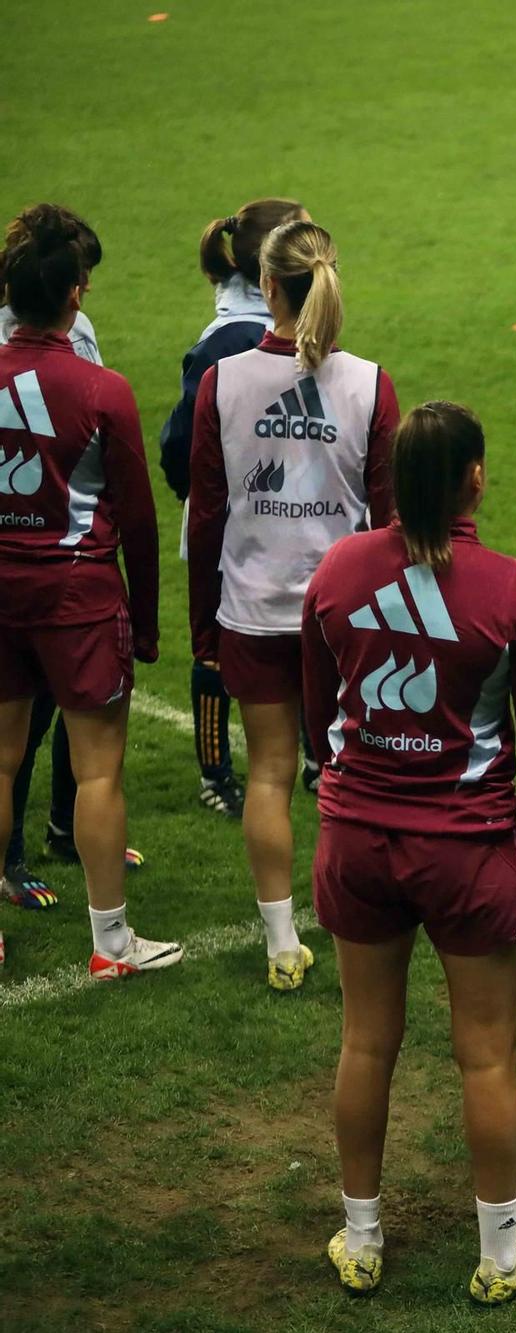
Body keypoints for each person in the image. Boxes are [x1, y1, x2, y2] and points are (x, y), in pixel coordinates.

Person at [301, 401, 516, 1302]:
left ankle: (361, 1238)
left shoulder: (337, 572)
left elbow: (317, 714)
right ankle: (498, 1257)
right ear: (474, 478)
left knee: (365, 1042)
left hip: (359, 840)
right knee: (486, 1056)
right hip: (470, 851)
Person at [188, 219, 398, 991]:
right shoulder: (371, 383)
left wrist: (202, 626)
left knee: (271, 773)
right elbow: (389, 520)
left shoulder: (224, 381)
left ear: (265, 286)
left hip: (252, 607)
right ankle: (364, 925)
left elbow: (207, 514)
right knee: (353, 770)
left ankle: (282, 942)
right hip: (345, 617)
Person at [0, 205, 177, 977]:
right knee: (97, 768)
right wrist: (145, 621)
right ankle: (111, 943)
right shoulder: (105, 390)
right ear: (75, 293)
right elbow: (138, 519)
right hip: (77, 595)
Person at [161, 197, 309, 818]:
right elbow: (179, 446)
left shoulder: (246, 324)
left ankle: (305, 751)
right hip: (238, 524)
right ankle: (216, 772)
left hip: (272, 515)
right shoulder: (237, 340)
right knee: (218, 647)